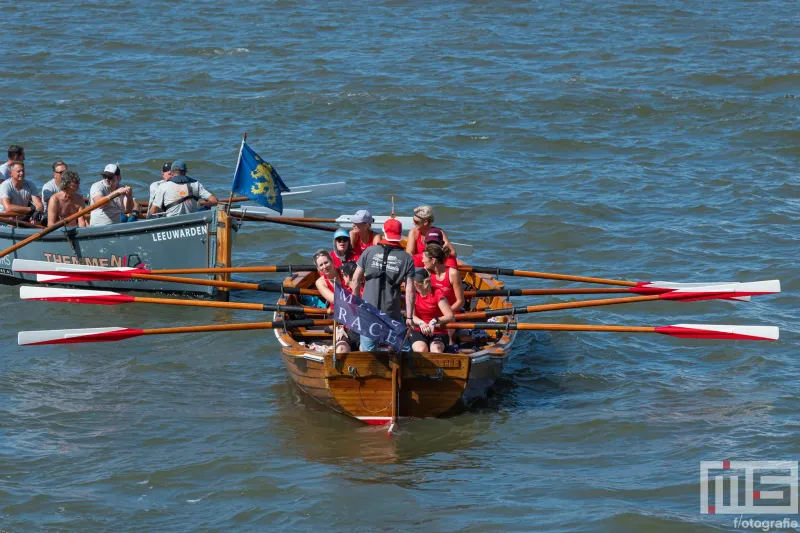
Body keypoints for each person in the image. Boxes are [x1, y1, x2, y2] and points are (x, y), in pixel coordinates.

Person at [350, 218, 416, 351]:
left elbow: (355, 280)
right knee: (403, 349)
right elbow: (409, 290)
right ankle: (401, 369)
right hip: (391, 312)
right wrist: (409, 316)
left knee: (369, 350)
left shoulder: (369, 251)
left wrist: (356, 305)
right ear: (399, 233)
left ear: (384, 232)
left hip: (368, 310)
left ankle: (371, 369)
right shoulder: (407, 258)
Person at [313, 250, 359, 353]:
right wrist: (340, 326)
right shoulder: (320, 282)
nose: (324, 266)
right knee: (341, 348)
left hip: (355, 310)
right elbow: (336, 300)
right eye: (321, 265)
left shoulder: (344, 272)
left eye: (326, 262)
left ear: (332, 262)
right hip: (337, 314)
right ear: (318, 268)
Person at [148, 160, 218, 217]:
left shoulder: (163, 186)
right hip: (193, 220)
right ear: (185, 172)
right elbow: (214, 200)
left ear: (172, 173)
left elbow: (153, 211)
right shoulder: (196, 184)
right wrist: (204, 208)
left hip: (171, 222)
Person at [409, 268, 454, 353]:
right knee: (421, 350)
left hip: (438, 330)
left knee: (435, 349)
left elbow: (450, 316)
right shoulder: (413, 294)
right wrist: (421, 323)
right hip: (420, 329)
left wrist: (434, 321)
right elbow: (412, 316)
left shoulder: (437, 293)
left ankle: (438, 366)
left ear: (415, 284)